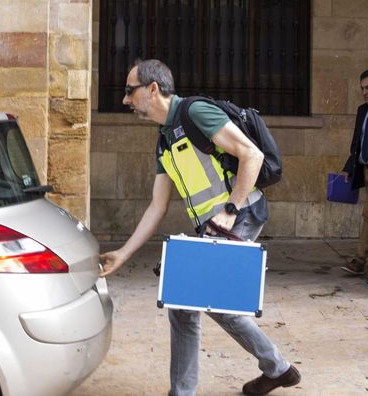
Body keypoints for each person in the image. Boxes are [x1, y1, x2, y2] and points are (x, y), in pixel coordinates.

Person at [99, 59, 301, 396]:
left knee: (210, 299)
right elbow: (157, 206)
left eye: (129, 91)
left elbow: (251, 155)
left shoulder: (195, 113)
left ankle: (272, 369)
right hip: (213, 227)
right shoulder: (163, 140)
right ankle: (275, 369)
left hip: (241, 213)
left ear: (152, 89)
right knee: (184, 300)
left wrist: (231, 209)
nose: (124, 99)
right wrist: (123, 253)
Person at [340, 68, 368, 276]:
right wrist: (349, 167)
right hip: (363, 169)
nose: (365, 92)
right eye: (362, 89)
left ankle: (359, 259)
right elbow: (356, 142)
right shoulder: (362, 111)